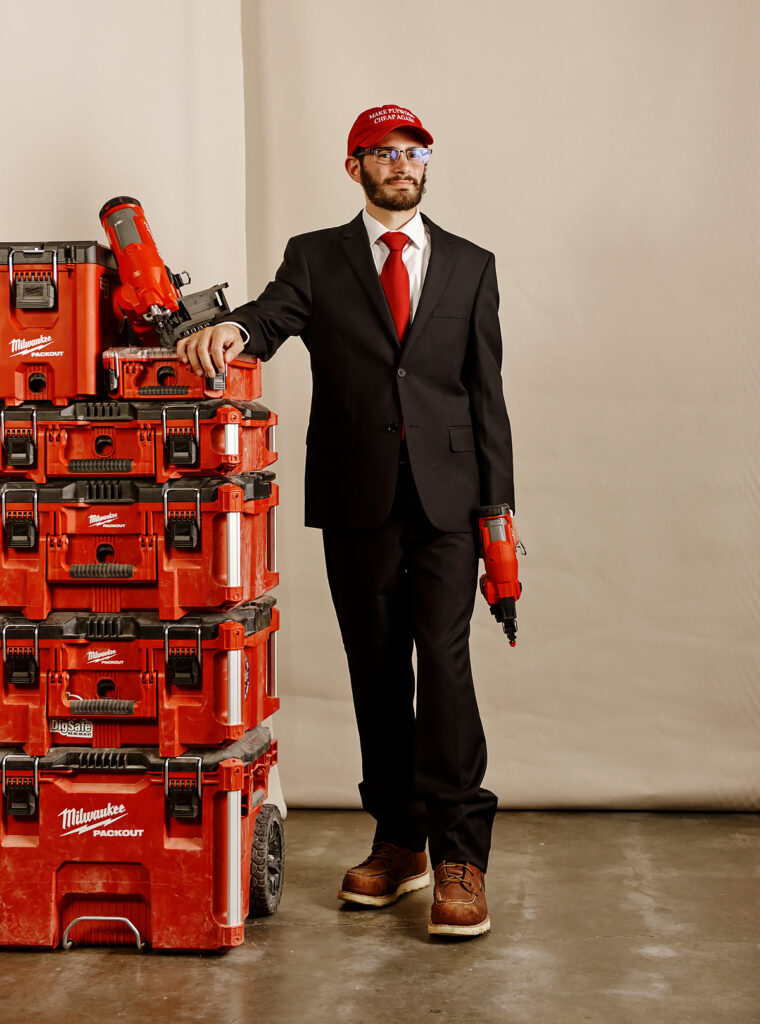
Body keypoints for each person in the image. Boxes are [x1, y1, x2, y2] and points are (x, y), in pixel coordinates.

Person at [177, 104, 517, 939]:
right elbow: (270, 317)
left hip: (447, 499)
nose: (402, 163)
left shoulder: (472, 265)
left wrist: (498, 514)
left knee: (441, 666)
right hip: (357, 494)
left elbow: (487, 397)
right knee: (375, 670)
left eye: (414, 151)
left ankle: (460, 853)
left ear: (427, 163)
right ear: (354, 166)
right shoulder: (316, 257)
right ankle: (399, 842)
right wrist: (230, 328)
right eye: (383, 152)